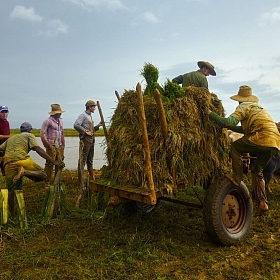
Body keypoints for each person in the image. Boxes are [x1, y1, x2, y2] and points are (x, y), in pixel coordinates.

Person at [204, 85, 280, 216]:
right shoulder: (260, 109)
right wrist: (232, 128)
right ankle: (263, 202)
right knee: (257, 170)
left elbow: (228, 122)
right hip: (275, 143)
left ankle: (237, 177)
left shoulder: (243, 107)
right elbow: (244, 129)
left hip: (261, 138)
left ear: (240, 100)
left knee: (235, 147)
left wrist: (211, 114)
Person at [0, 122, 65, 226]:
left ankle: (12, 216)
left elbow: (0, 150)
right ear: (30, 130)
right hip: (22, 161)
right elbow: (38, 149)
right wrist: (53, 161)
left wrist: (6, 158)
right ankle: (24, 172)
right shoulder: (29, 135)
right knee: (43, 175)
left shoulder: (11, 138)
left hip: (9, 163)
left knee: (11, 191)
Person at [74, 100, 102, 179]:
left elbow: (91, 130)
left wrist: (98, 126)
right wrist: (85, 132)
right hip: (86, 140)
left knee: (90, 159)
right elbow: (76, 125)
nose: (95, 109)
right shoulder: (83, 115)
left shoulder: (89, 116)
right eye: (94, 107)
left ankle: (92, 176)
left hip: (91, 140)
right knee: (83, 159)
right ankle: (80, 177)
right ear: (90, 107)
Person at [40, 104, 65, 185]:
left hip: (59, 145)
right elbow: (42, 133)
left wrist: (63, 144)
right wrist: (48, 145)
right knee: (50, 163)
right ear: (54, 113)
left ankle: (56, 181)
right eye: (58, 113)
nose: (60, 114)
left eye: (60, 112)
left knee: (59, 162)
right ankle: (47, 181)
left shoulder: (60, 120)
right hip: (52, 145)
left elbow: (62, 132)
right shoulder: (48, 121)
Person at [0, 105, 10, 175]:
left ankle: (4, 177)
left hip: (5, 147)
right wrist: (9, 137)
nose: (4, 114)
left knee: (4, 163)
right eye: (2, 112)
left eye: (6, 112)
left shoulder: (7, 122)